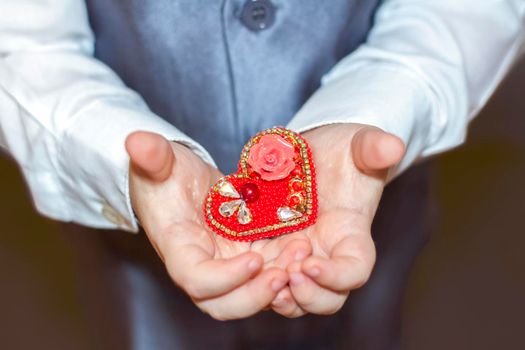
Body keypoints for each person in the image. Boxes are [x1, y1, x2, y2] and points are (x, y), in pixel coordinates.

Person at [1, 0, 523, 349]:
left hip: (377, 214)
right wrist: (116, 152)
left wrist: (387, 100)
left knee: (369, 325)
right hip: (132, 249)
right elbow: (20, 43)